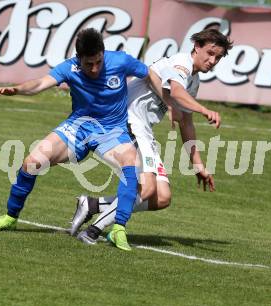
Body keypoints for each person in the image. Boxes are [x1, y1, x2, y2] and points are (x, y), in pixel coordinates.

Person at [0, 28, 152, 251]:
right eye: (88, 64)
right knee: (31, 162)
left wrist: (170, 103)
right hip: (77, 128)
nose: (94, 68)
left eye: (98, 62)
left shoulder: (120, 61)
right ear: (78, 58)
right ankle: (10, 217)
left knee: (131, 163)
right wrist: (17, 90)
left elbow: (150, 74)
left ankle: (118, 229)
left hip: (112, 131)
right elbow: (41, 83)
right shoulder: (69, 68)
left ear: (103, 53)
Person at [70, 29, 233, 248]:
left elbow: (186, 122)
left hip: (143, 130)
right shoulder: (181, 64)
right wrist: (205, 110)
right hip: (127, 123)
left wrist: (199, 166)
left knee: (162, 197)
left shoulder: (193, 81)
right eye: (210, 53)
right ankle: (93, 231)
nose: (212, 61)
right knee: (146, 189)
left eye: (218, 57)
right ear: (197, 47)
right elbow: (175, 92)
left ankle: (92, 204)